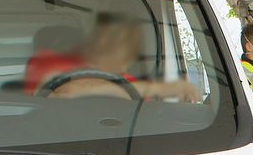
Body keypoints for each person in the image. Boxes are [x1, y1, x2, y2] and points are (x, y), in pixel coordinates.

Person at [24, 12, 198, 101]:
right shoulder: (46, 61)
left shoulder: (130, 82)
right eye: (110, 40)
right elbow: (67, 91)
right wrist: (157, 88)